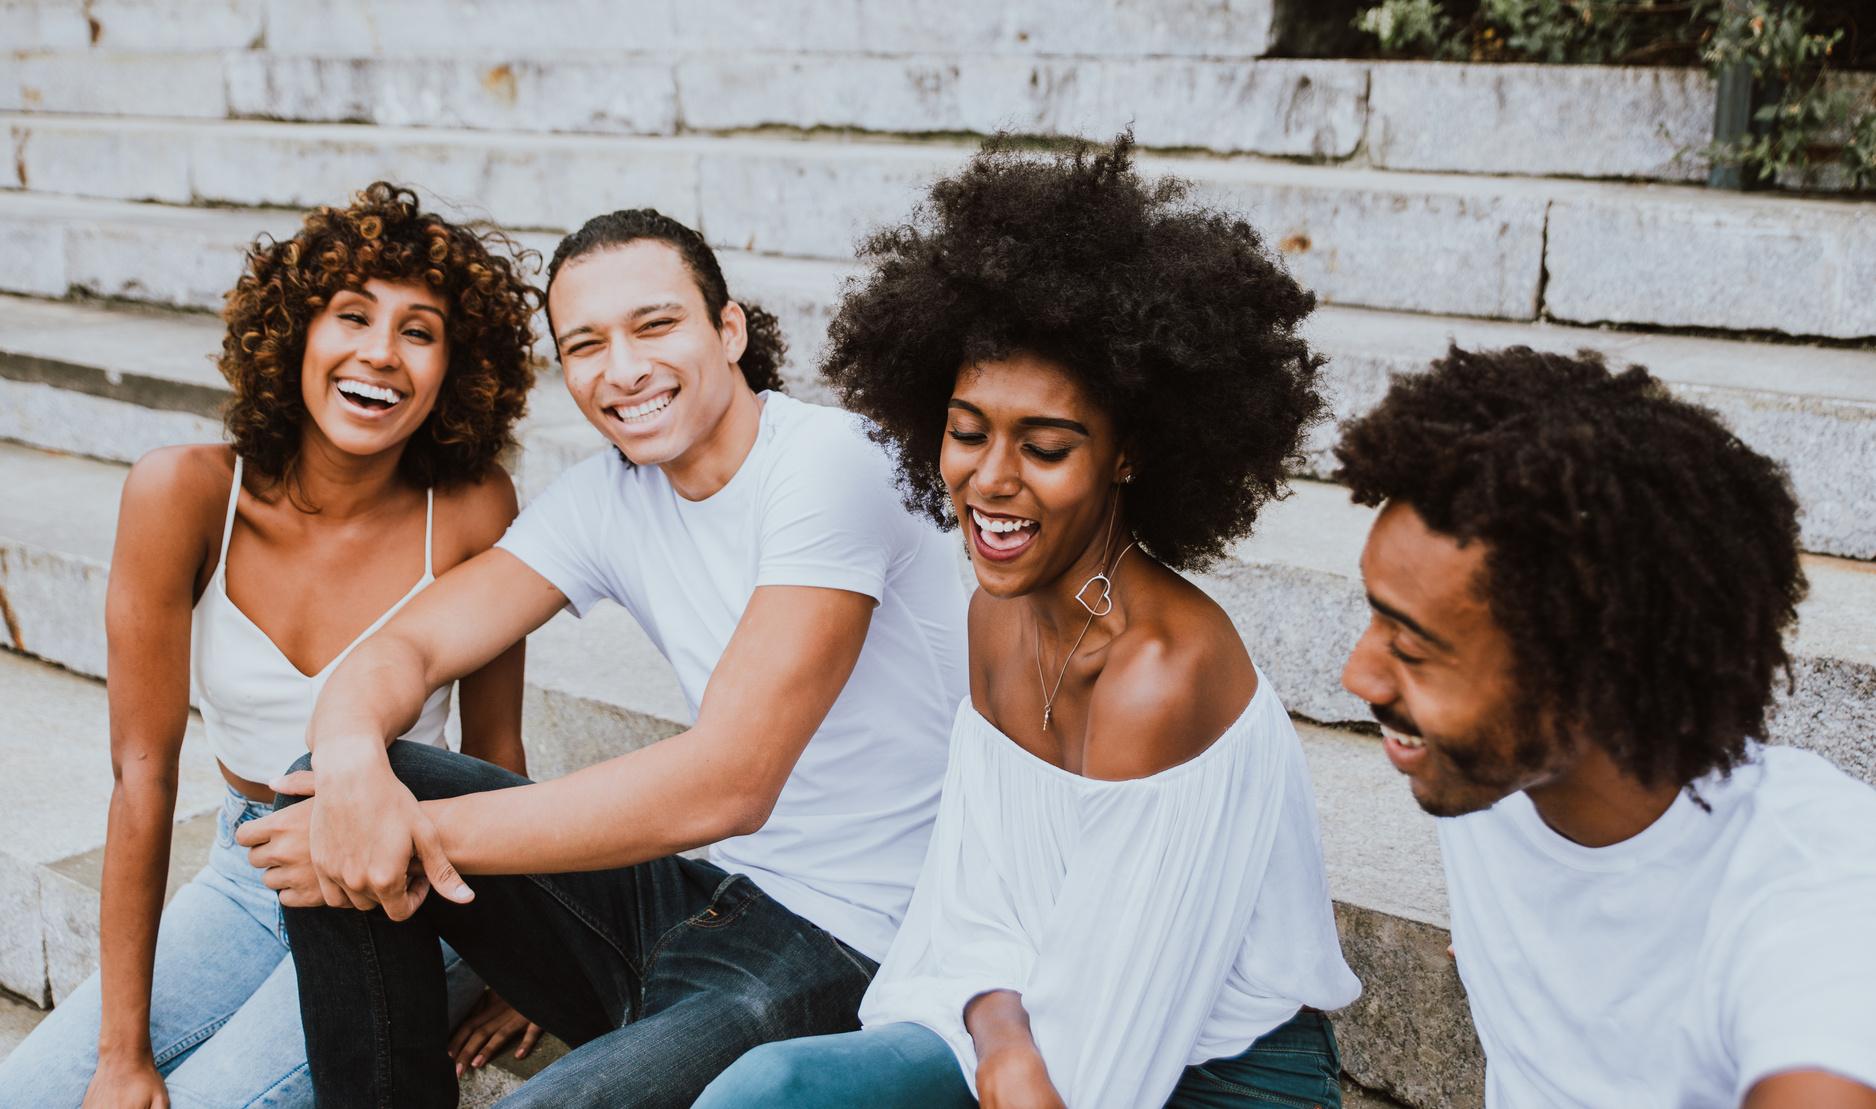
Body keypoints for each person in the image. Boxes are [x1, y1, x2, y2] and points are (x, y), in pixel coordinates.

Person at [234, 207, 970, 1107]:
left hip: (848, 942)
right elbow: (407, 644)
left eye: (654, 325)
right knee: (330, 789)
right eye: (586, 344)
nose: (622, 370)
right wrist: (352, 768)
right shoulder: (608, 496)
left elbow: (731, 780)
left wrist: (409, 837)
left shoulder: (830, 463)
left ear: (728, 330)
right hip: (695, 896)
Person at [697, 134, 1361, 1109]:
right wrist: (998, 1025)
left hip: (1212, 1080)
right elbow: (979, 899)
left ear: (1127, 454)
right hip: (1023, 1027)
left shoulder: (1160, 672)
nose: (991, 478)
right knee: (773, 1086)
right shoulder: (995, 615)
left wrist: (1006, 1040)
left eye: (1045, 447)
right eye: (967, 432)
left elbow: (1100, 1065)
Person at [0, 183, 541, 1107]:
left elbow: (495, 752)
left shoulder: (471, 508)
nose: (381, 352)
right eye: (352, 316)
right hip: (247, 873)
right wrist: (121, 1053)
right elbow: (141, 777)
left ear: (456, 369)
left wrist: (527, 962)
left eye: (419, 331)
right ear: (294, 333)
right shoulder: (183, 494)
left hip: (405, 882)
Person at [1334, 346, 1876, 1108]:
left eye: (1414, 648)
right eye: (1375, 617)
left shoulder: (1816, 892)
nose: (1358, 675)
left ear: (1595, 677)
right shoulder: (1495, 783)